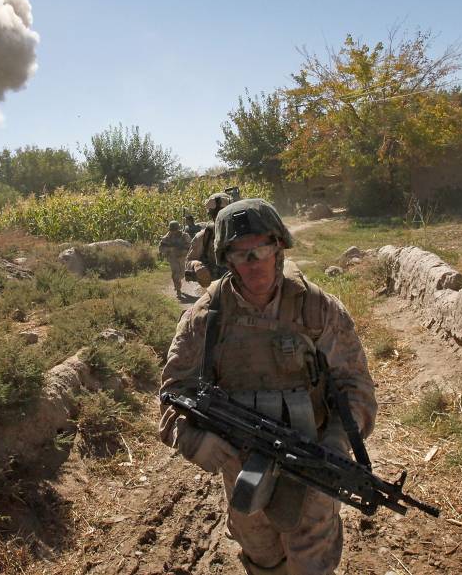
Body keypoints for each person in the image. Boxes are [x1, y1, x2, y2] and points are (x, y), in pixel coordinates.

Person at [159, 199, 377, 575]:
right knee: (261, 557)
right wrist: (194, 440)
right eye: (240, 254)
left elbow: (355, 385)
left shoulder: (317, 308)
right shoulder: (206, 319)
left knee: (312, 560)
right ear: (226, 259)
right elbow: (173, 392)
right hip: (244, 467)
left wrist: (337, 444)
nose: (253, 262)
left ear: (279, 247)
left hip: (313, 458)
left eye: (261, 249)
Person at [185, 192, 232, 287]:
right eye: (215, 213)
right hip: (215, 289)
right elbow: (189, 261)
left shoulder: (246, 233)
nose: (219, 217)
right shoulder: (205, 236)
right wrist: (196, 265)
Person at [159, 220, 192, 299]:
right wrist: (170, 249)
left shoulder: (184, 236)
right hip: (172, 258)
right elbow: (161, 248)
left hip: (182, 257)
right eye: (172, 230)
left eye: (175, 230)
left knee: (182, 274)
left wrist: (183, 250)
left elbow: (190, 246)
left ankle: (178, 285)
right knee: (175, 274)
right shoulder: (166, 237)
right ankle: (178, 290)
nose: (174, 232)